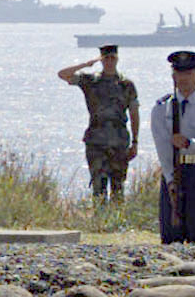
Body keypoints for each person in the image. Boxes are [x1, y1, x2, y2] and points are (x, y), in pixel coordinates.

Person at [150, 50, 195, 243]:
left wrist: (190, 144)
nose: (183, 79)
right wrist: (170, 179)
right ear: (173, 76)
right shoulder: (161, 107)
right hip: (172, 171)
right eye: (179, 73)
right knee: (170, 234)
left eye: (188, 73)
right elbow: (162, 146)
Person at [58, 44, 140, 202]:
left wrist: (135, 142)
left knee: (118, 188)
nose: (109, 61)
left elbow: (134, 113)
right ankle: (99, 223)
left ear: (117, 59)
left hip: (119, 142)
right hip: (96, 142)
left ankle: (115, 224)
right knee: (98, 187)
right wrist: (86, 64)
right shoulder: (91, 81)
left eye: (112, 58)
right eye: (106, 58)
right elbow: (63, 74)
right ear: (101, 60)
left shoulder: (126, 85)